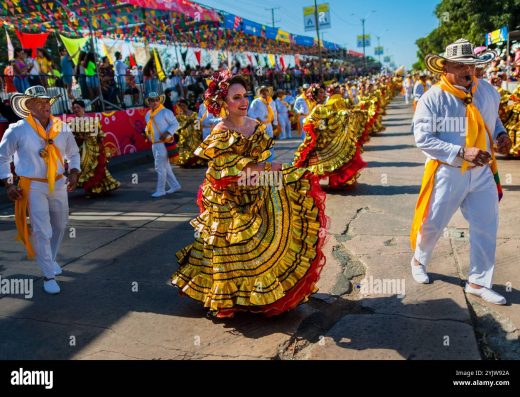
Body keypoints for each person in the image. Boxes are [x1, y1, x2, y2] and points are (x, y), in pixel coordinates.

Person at [170, 71, 328, 318]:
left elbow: (263, 162)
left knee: (268, 237)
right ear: (223, 103)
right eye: (236, 97)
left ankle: (259, 294)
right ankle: (228, 299)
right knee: (227, 248)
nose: (243, 102)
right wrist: (271, 170)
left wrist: (276, 174)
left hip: (254, 189)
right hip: (226, 198)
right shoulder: (220, 132)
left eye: (245, 96)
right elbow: (229, 172)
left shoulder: (255, 126)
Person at [411, 39, 513, 305]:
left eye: (471, 65)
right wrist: (460, 151)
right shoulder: (432, 99)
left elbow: (495, 118)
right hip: (448, 172)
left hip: (482, 173)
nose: (467, 70)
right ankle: (419, 260)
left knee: (486, 225)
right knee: (433, 223)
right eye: (459, 65)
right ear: (445, 67)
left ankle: (478, 282)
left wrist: (501, 135)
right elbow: (423, 139)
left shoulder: (488, 92)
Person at [0, 86, 81, 294]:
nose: (46, 105)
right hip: (33, 185)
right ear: (29, 106)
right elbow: (3, 158)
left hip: (60, 183)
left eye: (47, 102)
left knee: (60, 225)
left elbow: (74, 153)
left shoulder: (61, 128)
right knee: (42, 230)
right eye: (40, 102)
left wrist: (74, 172)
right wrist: (8, 184)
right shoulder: (17, 129)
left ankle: (50, 260)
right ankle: (48, 275)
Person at [69, 99, 120, 197]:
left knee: (96, 168)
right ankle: (90, 189)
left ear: (83, 108)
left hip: (94, 148)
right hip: (81, 149)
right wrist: (80, 138)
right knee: (85, 169)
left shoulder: (92, 120)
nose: (76, 109)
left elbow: (99, 135)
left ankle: (98, 188)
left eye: (78, 107)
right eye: (74, 108)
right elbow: (71, 138)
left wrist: (101, 148)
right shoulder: (72, 123)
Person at [144, 92, 181, 198]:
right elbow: (148, 127)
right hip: (154, 144)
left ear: (159, 100)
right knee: (166, 166)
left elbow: (175, 124)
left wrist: (167, 133)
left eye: (157, 100)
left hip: (163, 143)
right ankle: (175, 185)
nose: (155, 102)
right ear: (149, 102)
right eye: (152, 100)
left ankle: (161, 190)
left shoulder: (165, 112)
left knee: (159, 167)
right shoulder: (148, 114)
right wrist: (146, 133)